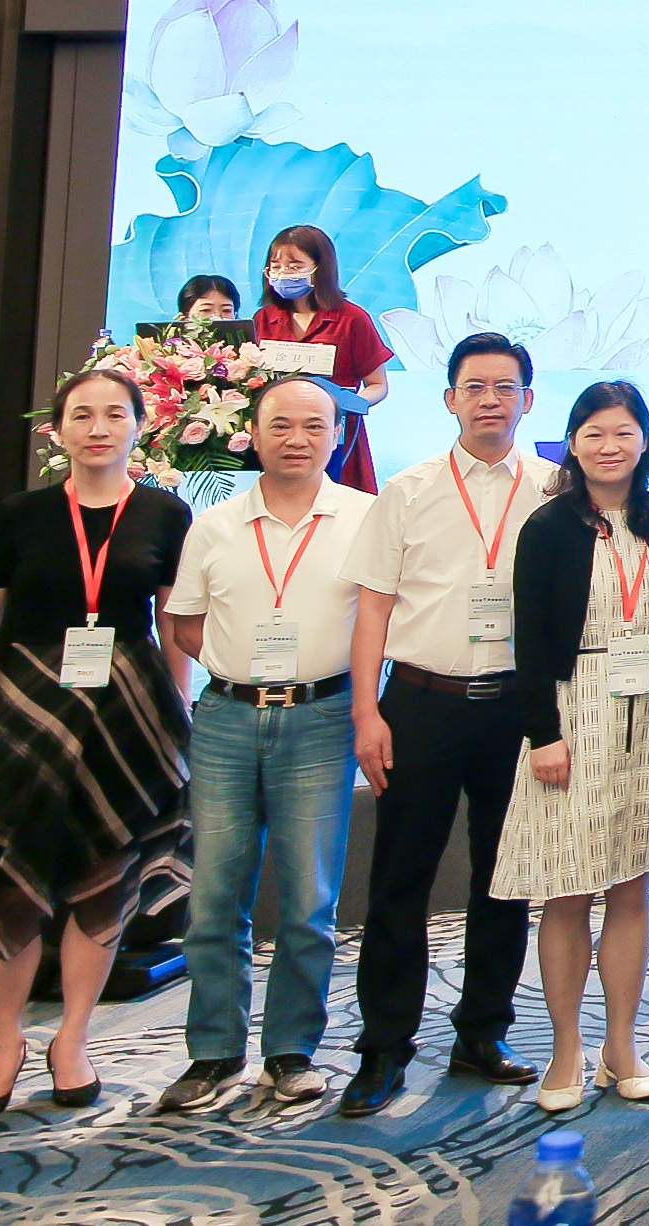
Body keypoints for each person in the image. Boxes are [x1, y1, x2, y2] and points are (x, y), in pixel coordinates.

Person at [0, 366, 193, 1124]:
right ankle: (4, 1043)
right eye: (82, 414)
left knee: (104, 872)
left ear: (139, 426)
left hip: (127, 711)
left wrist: (177, 712)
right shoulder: (20, 514)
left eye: (115, 414)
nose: (98, 428)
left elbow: (173, 624)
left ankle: (73, 1039)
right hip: (25, 709)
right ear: (59, 429)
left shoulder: (164, 513)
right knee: (10, 878)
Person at [340, 331, 558, 1116]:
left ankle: (482, 1033)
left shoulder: (554, 488)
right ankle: (383, 1047)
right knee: (400, 879)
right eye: (475, 387)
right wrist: (366, 712)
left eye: (504, 387)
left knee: (506, 880)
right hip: (421, 702)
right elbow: (372, 608)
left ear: (527, 399)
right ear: (449, 399)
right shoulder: (408, 490)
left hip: (517, 708)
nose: (490, 400)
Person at [157, 376, 373, 1114]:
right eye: (280, 424)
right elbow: (186, 625)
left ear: (337, 436)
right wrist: (243, 669)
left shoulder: (365, 519)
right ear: (252, 433)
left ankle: (290, 1051)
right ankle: (213, 1052)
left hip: (322, 717)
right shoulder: (214, 524)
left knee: (310, 898)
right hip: (226, 717)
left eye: (314, 425)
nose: (297, 439)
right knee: (215, 896)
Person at [494, 381, 649, 1112]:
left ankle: (621, 1045)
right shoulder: (548, 526)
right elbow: (527, 640)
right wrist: (542, 735)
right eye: (594, 434)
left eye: (623, 433)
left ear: (644, 440)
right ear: (573, 443)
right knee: (566, 888)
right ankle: (565, 1050)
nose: (609, 447)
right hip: (574, 707)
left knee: (631, 885)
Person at [249, 224, 393, 493]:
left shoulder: (352, 319)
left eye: (294, 266)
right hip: (281, 436)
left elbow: (378, 385)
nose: (283, 273)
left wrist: (349, 405)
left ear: (320, 268)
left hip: (337, 434)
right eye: (276, 266)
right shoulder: (263, 319)